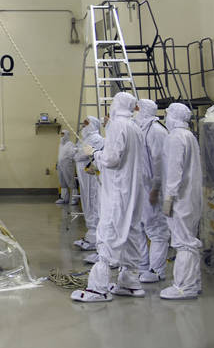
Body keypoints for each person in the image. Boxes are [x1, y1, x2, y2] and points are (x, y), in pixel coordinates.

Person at [71, 91, 148, 302]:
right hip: (133, 192)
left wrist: (94, 154)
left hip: (117, 192)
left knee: (108, 234)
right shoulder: (135, 127)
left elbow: (112, 159)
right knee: (131, 234)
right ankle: (130, 282)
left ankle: (98, 288)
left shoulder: (117, 126)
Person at [160, 102, 203, 300]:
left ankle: (184, 286)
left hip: (180, 198)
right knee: (189, 240)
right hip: (191, 197)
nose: (165, 118)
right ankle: (193, 281)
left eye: (167, 114)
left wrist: (169, 196)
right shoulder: (189, 136)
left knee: (183, 241)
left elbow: (174, 170)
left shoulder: (175, 137)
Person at [132, 98, 171, 283]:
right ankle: (143, 266)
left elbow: (160, 163)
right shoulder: (140, 128)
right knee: (139, 226)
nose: (135, 110)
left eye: (137, 108)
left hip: (153, 190)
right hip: (140, 188)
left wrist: (155, 188)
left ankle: (157, 270)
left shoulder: (156, 131)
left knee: (156, 229)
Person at [73, 116, 104, 251]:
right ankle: (90, 235)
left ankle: (95, 237)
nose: (84, 126)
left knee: (93, 202)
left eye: (86, 124)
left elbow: (82, 154)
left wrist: (77, 152)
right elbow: (78, 153)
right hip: (84, 177)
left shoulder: (96, 138)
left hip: (91, 177)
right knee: (86, 202)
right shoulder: (86, 139)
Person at [55, 130, 78, 204]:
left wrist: (68, 160)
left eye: (63, 134)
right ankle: (64, 198)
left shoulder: (70, 144)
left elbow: (73, 153)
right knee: (62, 182)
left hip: (67, 164)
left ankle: (75, 198)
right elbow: (60, 155)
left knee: (70, 181)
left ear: (67, 135)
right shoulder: (61, 145)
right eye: (61, 134)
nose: (61, 136)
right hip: (60, 165)